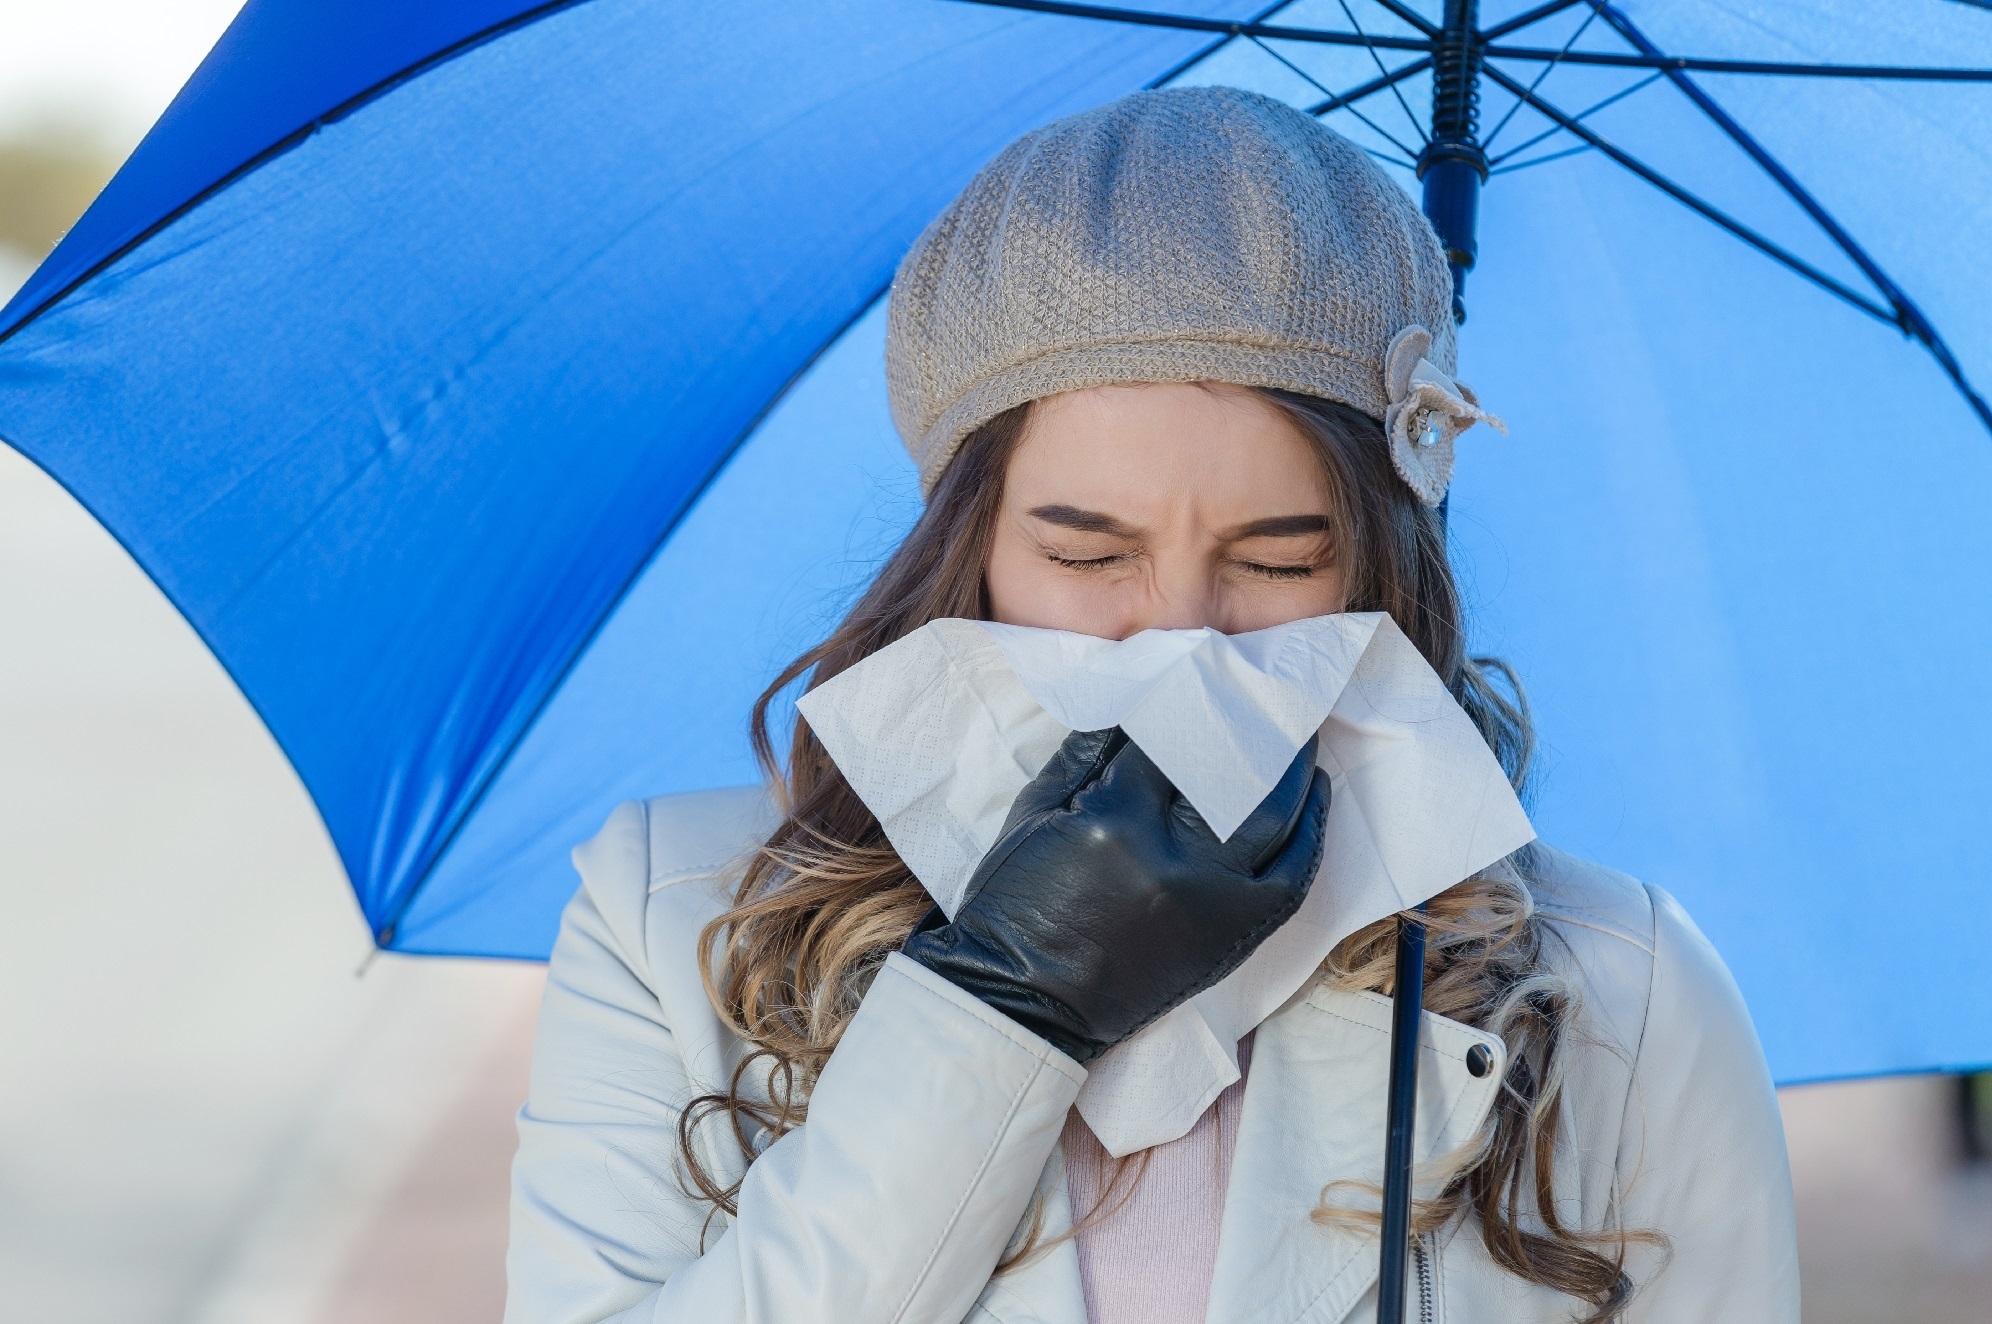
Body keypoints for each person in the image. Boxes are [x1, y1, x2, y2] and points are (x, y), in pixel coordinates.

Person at [502, 86, 1799, 1324]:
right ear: (970, 555)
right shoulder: (666, 923)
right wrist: (1003, 999)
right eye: (1087, 555)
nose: (1181, 639)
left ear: (1384, 571)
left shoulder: (1627, 1000)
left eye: (1279, 560)